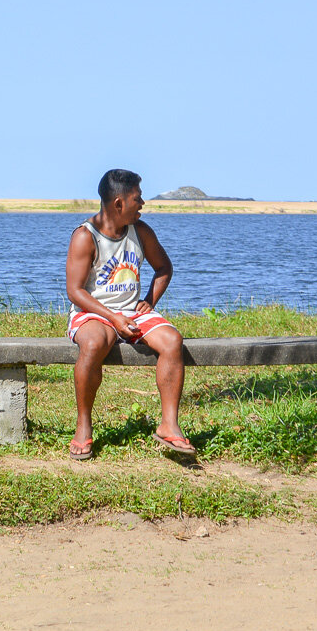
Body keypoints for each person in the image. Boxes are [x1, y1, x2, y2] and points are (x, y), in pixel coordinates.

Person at [64, 169, 192, 461]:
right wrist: (113, 318)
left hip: (132, 311)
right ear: (118, 203)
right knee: (94, 343)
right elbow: (75, 291)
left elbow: (164, 268)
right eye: (137, 198)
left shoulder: (141, 232)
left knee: (172, 340)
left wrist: (149, 301)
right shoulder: (85, 236)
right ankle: (83, 425)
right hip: (92, 311)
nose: (142, 203)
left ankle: (169, 425)